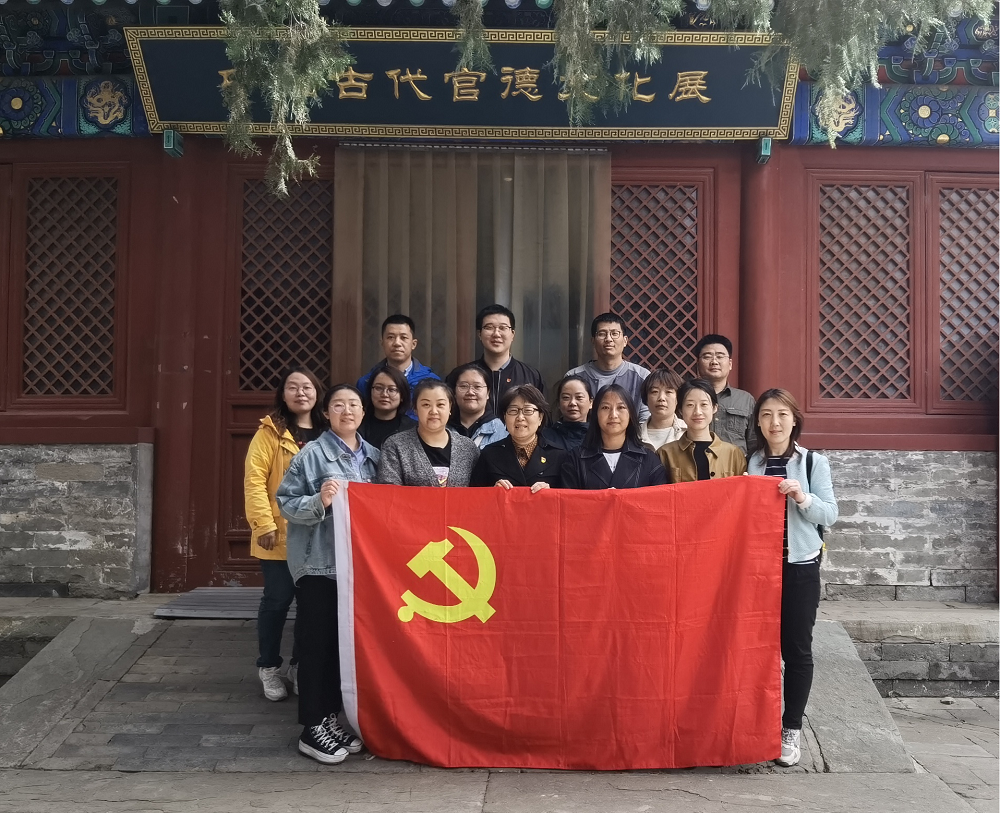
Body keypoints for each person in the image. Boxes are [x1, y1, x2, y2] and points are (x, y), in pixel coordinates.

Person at [276, 384, 378, 766]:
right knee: (315, 645)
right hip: (319, 564)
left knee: (341, 647)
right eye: (338, 405)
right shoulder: (311, 455)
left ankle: (330, 719)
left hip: (357, 568)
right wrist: (319, 500)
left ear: (363, 412)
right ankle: (311, 727)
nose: (347, 411)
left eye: (353, 404)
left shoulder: (374, 457)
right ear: (326, 412)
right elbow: (285, 502)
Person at [747, 388, 838, 768]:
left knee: (796, 650)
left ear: (794, 420)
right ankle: (757, 724)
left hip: (799, 566)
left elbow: (830, 514)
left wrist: (802, 498)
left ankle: (791, 727)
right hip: (757, 570)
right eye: (767, 415)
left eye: (782, 414)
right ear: (758, 422)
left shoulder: (813, 462)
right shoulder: (751, 463)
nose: (775, 422)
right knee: (755, 648)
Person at [244, 367, 325, 703]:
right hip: (278, 533)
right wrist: (263, 524)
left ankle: (298, 665)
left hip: (318, 535)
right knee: (277, 601)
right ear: (283, 394)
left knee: (310, 606)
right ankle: (268, 666)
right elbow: (254, 480)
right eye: (293, 387)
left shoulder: (327, 431)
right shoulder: (270, 432)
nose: (301, 393)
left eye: (307, 387)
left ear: (318, 393)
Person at [560, 385, 667, 490]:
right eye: (605, 408)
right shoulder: (575, 459)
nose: (613, 415)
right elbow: (568, 499)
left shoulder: (649, 460)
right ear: (596, 414)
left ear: (630, 414)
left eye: (621, 407)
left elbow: (659, 499)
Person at [377, 379, 480, 487]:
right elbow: (389, 492)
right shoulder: (395, 445)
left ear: (450, 407)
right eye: (426, 404)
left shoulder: (468, 448)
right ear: (415, 409)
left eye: (440, 404)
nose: (434, 411)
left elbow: (480, 491)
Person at [446, 304, 544, 417]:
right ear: (479, 334)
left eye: (503, 328)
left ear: (512, 334)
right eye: (489, 327)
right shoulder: (460, 375)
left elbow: (543, 418)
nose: (496, 334)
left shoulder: (531, 376)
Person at [471, 385, 563, 490]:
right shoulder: (489, 454)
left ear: (540, 418)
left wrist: (551, 493)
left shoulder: (558, 456)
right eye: (513, 411)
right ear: (505, 417)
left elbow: (568, 497)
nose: (520, 417)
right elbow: (475, 496)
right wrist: (492, 492)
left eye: (528, 410)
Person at [565, 313, 651, 422]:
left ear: (625, 340)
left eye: (615, 333)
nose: (608, 339)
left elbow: (646, 421)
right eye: (602, 334)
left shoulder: (642, 377)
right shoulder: (574, 377)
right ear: (593, 341)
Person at [658, 379, 747, 482]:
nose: (697, 412)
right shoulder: (665, 454)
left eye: (704, 404)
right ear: (681, 410)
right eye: (690, 405)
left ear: (714, 408)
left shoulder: (733, 454)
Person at [356, 315, 439, 407]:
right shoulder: (366, 382)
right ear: (382, 343)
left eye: (403, 337)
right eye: (391, 337)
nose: (397, 343)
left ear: (413, 344)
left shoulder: (430, 381)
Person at [693, 334, 756, 455]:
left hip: (736, 465)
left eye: (720, 356)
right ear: (698, 365)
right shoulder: (687, 398)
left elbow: (754, 443)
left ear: (730, 364)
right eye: (707, 357)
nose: (714, 362)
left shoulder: (745, 400)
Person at [448, 363, 508, 448]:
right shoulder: (443, 428)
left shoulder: (500, 431)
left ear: (488, 393)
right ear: (454, 392)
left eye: (477, 386)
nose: (470, 392)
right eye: (463, 386)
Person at [358, 366, 415, 449]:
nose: (384, 394)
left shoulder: (413, 429)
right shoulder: (357, 425)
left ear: (402, 396)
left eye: (392, 390)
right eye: (378, 388)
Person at [540, 374, 593, 451]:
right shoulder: (545, 438)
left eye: (579, 397)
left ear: (591, 403)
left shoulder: (600, 438)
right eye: (566, 397)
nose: (572, 403)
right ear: (558, 403)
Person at [638, 368, 687, 451]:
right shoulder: (634, 435)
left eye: (668, 392)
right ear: (646, 398)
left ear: (678, 398)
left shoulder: (688, 432)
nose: (661, 398)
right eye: (655, 392)